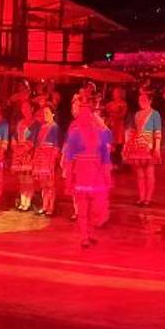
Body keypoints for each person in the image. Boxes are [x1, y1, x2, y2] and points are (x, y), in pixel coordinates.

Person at [61, 95, 113, 248]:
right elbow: (69, 157)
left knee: (95, 209)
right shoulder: (75, 132)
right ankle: (84, 236)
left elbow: (105, 155)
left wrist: (106, 176)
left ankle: (89, 234)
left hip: (95, 174)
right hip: (82, 174)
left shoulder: (99, 132)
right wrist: (69, 178)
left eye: (87, 112)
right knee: (83, 208)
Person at [123, 92, 162, 206]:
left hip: (149, 146)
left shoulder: (155, 114)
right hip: (138, 145)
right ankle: (141, 197)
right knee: (140, 174)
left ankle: (148, 199)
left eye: (144, 100)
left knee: (149, 173)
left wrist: (157, 148)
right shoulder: (137, 114)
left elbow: (157, 132)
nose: (141, 102)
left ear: (150, 101)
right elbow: (134, 130)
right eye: (140, 100)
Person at [10, 101, 40, 211]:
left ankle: (28, 201)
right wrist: (15, 147)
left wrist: (23, 150)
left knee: (28, 179)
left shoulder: (36, 124)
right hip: (19, 153)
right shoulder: (20, 123)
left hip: (29, 154)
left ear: (32, 108)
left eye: (27, 107)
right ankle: (23, 201)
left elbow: (34, 140)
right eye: (23, 108)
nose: (25, 110)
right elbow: (15, 136)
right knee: (21, 179)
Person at [32, 105, 60, 216]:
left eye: (47, 113)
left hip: (49, 158)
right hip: (41, 158)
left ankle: (51, 207)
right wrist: (36, 157)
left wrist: (53, 159)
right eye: (44, 113)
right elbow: (37, 143)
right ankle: (44, 206)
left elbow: (56, 144)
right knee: (43, 184)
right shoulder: (42, 127)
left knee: (50, 184)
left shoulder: (54, 127)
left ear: (53, 114)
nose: (45, 115)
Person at [104, 87, 128, 170]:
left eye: (116, 92)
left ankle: (118, 163)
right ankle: (112, 163)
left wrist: (114, 115)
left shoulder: (123, 104)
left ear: (120, 94)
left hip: (119, 127)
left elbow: (123, 115)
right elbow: (105, 110)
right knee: (110, 145)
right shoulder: (110, 104)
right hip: (111, 126)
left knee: (118, 145)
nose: (114, 94)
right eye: (114, 92)